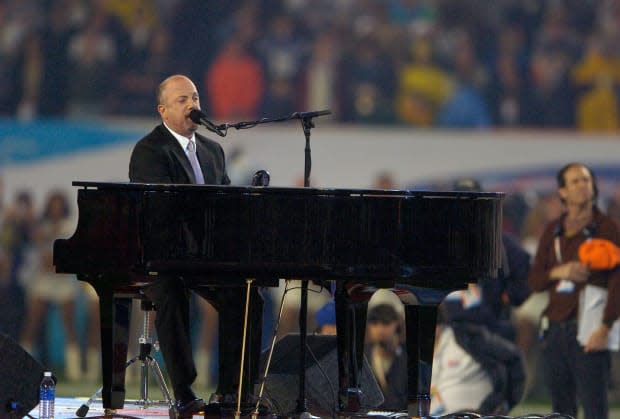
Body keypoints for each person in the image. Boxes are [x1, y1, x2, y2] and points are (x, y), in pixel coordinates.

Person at [128, 74, 264, 418]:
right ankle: (185, 391)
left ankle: (234, 392)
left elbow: (225, 204)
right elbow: (160, 211)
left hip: (206, 257)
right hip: (164, 256)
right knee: (170, 294)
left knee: (248, 296)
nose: (192, 106)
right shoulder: (149, 150)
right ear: (163, 111)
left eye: (195, 98)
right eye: (182, 100)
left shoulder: (213, 150)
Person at [528, 162, 620, 419]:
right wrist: (558, 272)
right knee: (560, 410)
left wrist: (605, 327)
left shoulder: (607, 228)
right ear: (563, 192)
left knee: (594, 408)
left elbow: (617, 283)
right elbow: (534, 281)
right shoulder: (553, 231)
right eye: (575, 181)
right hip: (556, 328)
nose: (583, 186)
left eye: (586, 180)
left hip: (589, 328)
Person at [364, 303, 407, 411]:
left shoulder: (409, 356)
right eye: (375, 323)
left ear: (396, 324)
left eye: (386, 323)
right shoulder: (362, 356)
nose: (380, 329)